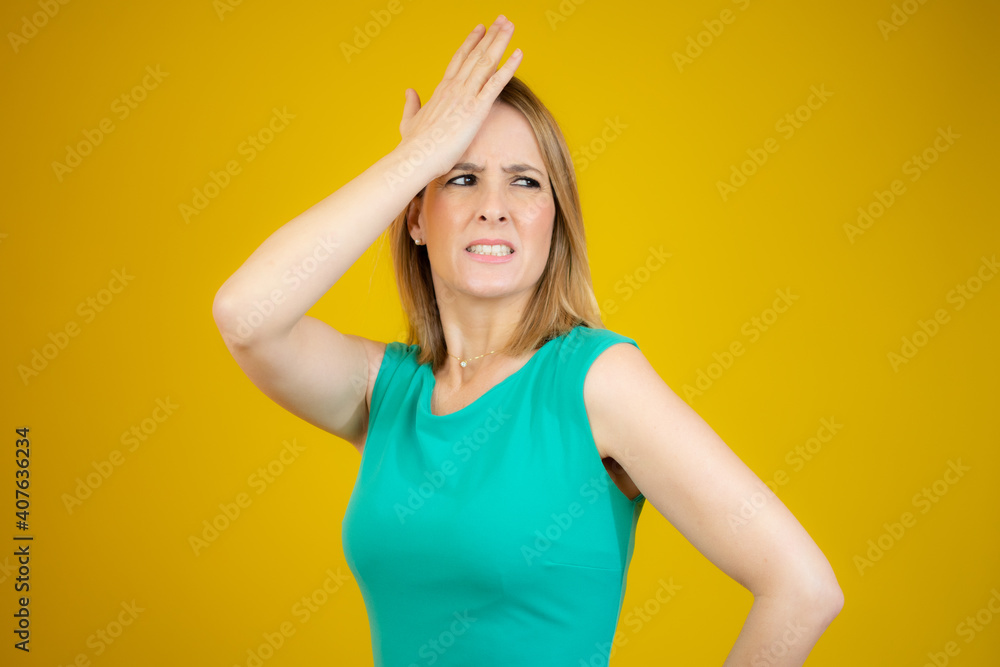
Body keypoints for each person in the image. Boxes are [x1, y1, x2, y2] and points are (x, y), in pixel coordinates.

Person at [211, 15, 843, 666]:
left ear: (554, 221)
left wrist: (439, 165)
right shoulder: (385, 393)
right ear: (417, 217)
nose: (495, 206)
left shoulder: (597, 381)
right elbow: (245, 313)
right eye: (461, 177)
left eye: (525, 180)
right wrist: (415, 159)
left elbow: (803, 588)